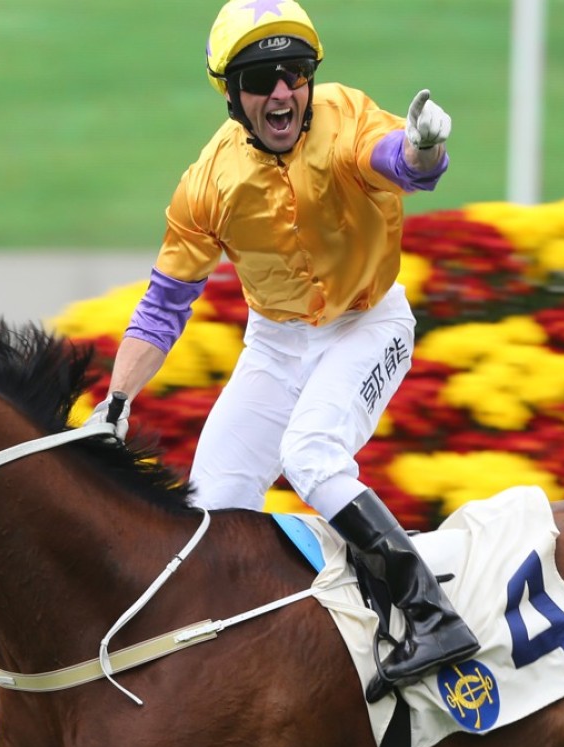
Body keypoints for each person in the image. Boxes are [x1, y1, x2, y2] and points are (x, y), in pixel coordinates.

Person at [87, 0, 478, 701]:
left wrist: (424, 149)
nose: (282, 93)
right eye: (262, 78)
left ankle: (430, 612)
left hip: (369, 325)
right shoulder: (207, 183)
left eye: (295, 73)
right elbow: (165, 306)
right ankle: (239, 659)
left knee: (312, 455)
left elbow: (401, 162)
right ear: (232, 96)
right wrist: (115, 402)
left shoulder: (345, 116)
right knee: (212, 505)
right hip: (275, 343)